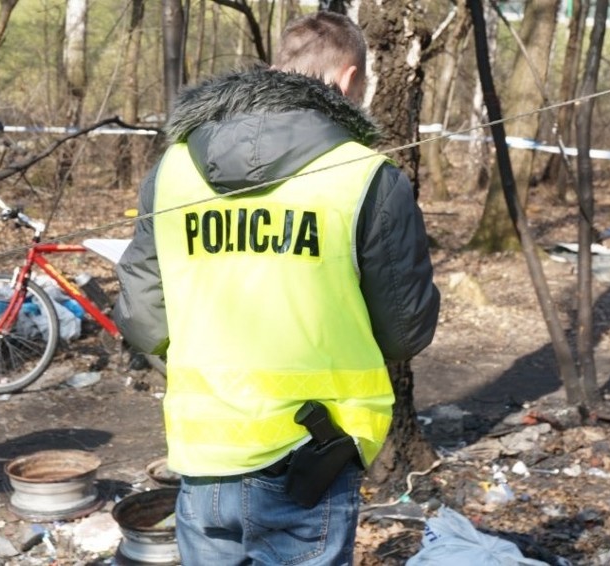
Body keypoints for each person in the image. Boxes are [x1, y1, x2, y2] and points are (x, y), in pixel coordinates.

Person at [114, 11, 440, 565]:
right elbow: (406, 327)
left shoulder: (173, 170)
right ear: (347, 80)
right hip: (312, 450)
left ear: (274, 70)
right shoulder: (366, 175)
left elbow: (144, 316)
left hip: (205, 448)